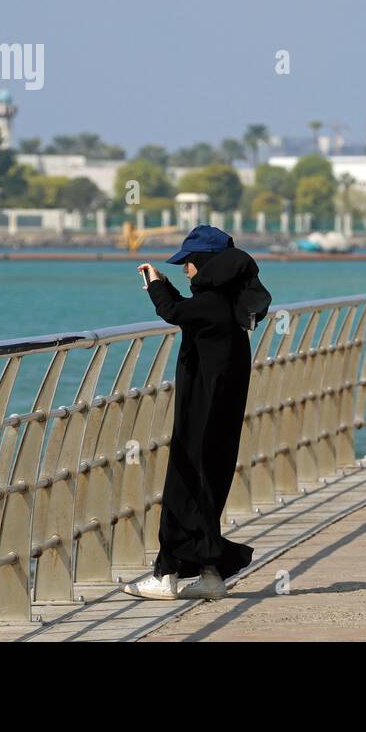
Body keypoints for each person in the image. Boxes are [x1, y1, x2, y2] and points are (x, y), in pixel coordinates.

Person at [122, 225, 272, 600]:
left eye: (189, 263)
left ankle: (167, 574)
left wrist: (156, 285)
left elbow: (174, 312)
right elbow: (185, 311)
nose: (186, 270)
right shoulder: (231, 307)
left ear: (206, 264)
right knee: (205, 489)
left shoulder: (211, 305)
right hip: (219, 419)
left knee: (183, 485)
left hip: (200, 418)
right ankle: (209, 575)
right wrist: (164, 287)